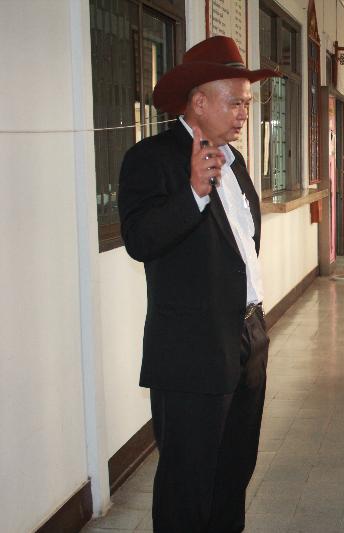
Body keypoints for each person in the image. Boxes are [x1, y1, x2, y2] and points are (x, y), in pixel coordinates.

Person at [117, 36, 281, 532]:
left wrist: (253, 325)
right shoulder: (150, 158)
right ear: (199, 102)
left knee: (234, 470)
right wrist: (192, 193)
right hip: (190, 350)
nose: (244, 113)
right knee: (187, 483)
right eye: (235, 103)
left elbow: (241, 245)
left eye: (247, 103)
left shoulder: (236, 161)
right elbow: (140, 240)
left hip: (248, 336)